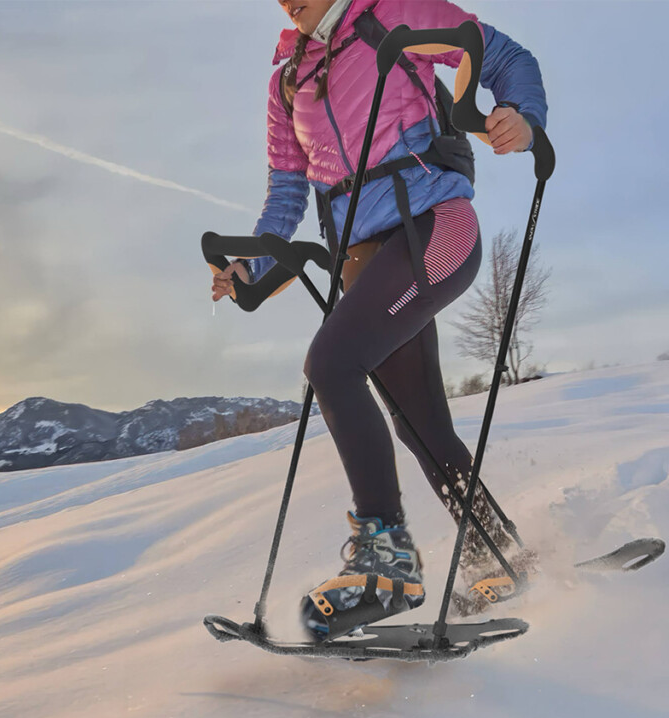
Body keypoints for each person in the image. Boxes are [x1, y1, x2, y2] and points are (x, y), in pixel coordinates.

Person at [211, 0, 548, 636]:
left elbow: (503, 55)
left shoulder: (391, 13)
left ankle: (386, 564)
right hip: (364, 264)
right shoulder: (288, 79)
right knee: (420, 425)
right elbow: (286, 194)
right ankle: (500, 553)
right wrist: (249, 268)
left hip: (435, 228)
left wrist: (523, 118)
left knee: (331, 364)